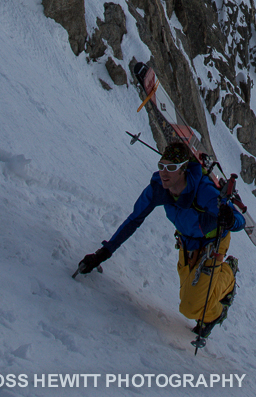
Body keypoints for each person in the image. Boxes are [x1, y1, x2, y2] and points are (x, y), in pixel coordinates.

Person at [77, 141, 245, 344]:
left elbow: (239, 221)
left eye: (172, 168)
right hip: (187, 246)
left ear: (183, 169)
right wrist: (103, 253)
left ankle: (227, 278)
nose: (165, 172)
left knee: (190, 307)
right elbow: (134, 220)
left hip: (213, 244)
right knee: (191, 299)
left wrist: (230, 219)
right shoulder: (158, 189)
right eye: (162, 166)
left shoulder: (204, 191)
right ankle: (210, 306)